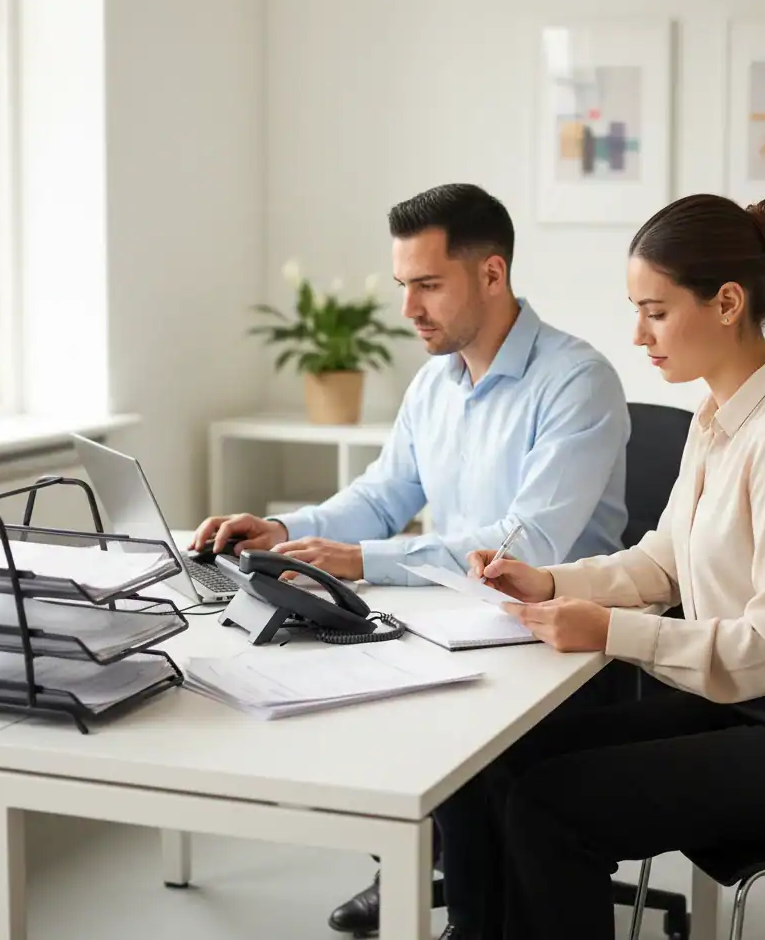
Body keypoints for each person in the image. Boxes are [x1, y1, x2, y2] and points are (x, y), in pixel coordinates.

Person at [430, 193, 765, 940]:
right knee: (500, 762)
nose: (637, 334)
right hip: (759, 706)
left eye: (655, 311)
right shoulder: (719, 416)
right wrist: (552, 581)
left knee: (551, 805)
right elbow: (666, 559)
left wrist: (609, 632)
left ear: (727, 303)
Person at [190, 183, 632, 935]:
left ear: (492, 274)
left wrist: (363, 560)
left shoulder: (577, 380)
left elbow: (526, 542)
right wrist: (279, 528)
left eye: (428, 285)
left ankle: (473, 907)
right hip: (458, 626)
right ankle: (441, 887)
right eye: (403, 285)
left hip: (562, 650)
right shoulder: (436, 382)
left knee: (462, 746)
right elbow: (383, 494)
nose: (409, 310)